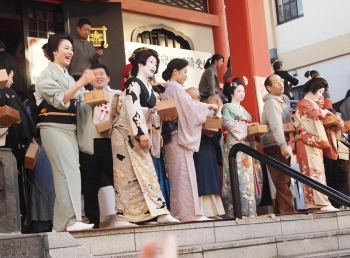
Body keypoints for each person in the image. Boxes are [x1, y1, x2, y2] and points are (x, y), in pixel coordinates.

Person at [35, 32, 96, 231]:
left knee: (68, 172)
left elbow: (77, 100)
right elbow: (60, 100)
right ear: (54, 51)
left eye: (71, 48)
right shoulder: (46, 74)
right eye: (66, 48)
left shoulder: (67, 76)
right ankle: (70, 221)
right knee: (66, 172)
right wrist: (81, 83)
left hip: (68, 129)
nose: (70, 52)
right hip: (53, 128)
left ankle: (60, 225)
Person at [110, 47, 178, 224]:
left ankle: (148, 213)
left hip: (137, 132)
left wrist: (157, 114)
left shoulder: (148, 85)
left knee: (144, 172)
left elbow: (149, 111)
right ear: (140, 63)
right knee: (125, 175)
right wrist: (141, 132)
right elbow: (132, 106)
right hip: (125, 132)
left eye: (156, 63)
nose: (154, 66)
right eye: (151, 62)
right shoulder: (133, 82)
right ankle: (125, 215)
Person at [161, 58, 218, 222]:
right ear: (175, 71)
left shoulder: (171, 89)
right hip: (177, 136)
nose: (186, 75)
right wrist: (209, 107)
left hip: (174, 136)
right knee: (184, 175)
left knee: (181, 176)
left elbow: (189, 106)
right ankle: (189, 214)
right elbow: (191, 107)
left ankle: (182, 212)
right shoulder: (175, 89)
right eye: (184, 72)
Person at [79, 64, 122, 228]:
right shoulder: (84, 96)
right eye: (95, 74)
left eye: (101, 73)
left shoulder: (116, 94)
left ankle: (124, 214)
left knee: (117, 179)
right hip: (90, 142)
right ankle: (93, 220)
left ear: (108, 78)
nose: (98, 76)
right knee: (90, 183)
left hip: (110, 142)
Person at [293, 75, 343, 211]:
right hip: (306, 141)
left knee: (318, 172)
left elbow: (319, 123)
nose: (321, 95)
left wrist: (335, 124)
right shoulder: (304, 103)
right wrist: (323, 112)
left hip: (313, 142)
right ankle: (320, 203)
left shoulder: (313, 105)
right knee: (313, 171)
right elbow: (310, 116)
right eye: (320, 91)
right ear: (314, 89)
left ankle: (318, 203)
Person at [0, 58, 37, 228]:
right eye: (11, 76)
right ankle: (20, 220)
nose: (12, 81)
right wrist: (28, 137)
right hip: (11, 145)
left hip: (6, 141)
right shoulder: (8, 93)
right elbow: (23, 121)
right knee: (14, 187)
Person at [221, 77, 259, 218]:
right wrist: (247, 126)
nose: (242, 93)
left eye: (243, 91)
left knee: (248, 179)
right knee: (238, 177)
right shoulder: (226, 108)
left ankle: (250, 211)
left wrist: (253, 129)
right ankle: (237, 211)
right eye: (239, 90)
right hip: (235, 144)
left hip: (247, 145)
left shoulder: (245, 110)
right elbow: (229, 125)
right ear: (232, 92)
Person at [187, 88, 225, 219]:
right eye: (189, 97)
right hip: (195, 148)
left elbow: (216, 129)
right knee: (199, 177)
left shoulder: (205, 109)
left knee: (210, 176)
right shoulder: (186, 109)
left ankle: (213, 211)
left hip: (208, 146)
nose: (193, 100)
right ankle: (199, 210)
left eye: (195, 97)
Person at [260, 74, 295, 214]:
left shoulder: (285, 99)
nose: (281, 84)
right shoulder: (270, 102)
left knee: (285, 179)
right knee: (281, 178)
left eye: (281, 81)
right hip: (274, 143)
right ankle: (289, 212)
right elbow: (275, 125)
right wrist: (282, 144)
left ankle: (280, 211)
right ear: (269, 87)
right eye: (276, 82)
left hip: (284, 142)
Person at [69, 18, 103, 84]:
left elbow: (94, 64)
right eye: (85, 30)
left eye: (89, 31)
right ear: (78, 29)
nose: (87, 32)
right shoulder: (72, 42)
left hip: (89, 77)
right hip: (74, 76)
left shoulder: (90, 45)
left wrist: (97, 55)